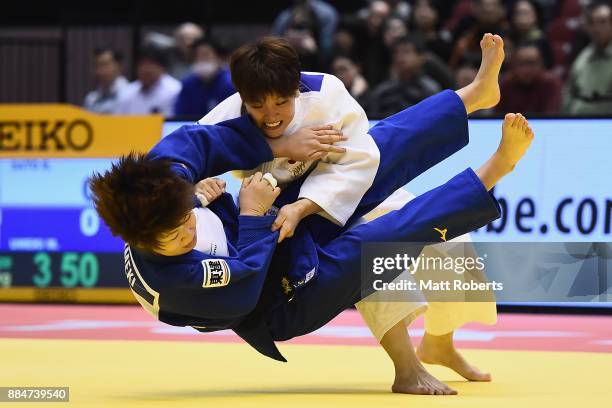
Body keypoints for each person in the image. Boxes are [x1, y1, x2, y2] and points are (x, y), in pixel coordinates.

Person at [91, 35, 526, 395]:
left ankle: (472, 95)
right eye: (176, 236)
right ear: (143, 242)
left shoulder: (158, 182)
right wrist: (253, 214)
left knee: (378, 150)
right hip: (275, 300)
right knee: (383, 239)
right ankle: (493, 172)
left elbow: (201, 144)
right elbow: (244, 287)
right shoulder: (176, 281)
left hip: (274, 225)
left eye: (184, 215)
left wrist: (252, 176)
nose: (187, 229)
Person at [199, 34, 503, 384]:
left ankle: (438, 343)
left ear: (296, 89)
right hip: (280, 215)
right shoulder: (229, 114)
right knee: (370, 252)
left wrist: (306, 205)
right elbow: (188, 155)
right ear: (242, 97)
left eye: (280, 103)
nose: (270, 116)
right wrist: (200, 185)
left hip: (340, 189)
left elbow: (362, 158)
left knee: (444, 236)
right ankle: (406, 367)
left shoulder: (325, 93)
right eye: (257, 107)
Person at [364, 36, 441, 119]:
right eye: (397, 53)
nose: (400, 57)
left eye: (406, 52)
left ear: (421, 58)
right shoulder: (382, 90)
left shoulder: (430, 89)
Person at [562, 1, 612, 115]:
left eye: (603, 22)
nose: (596, 28)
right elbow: (569, 94)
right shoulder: (582, 57)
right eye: (591, 22)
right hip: (577, 124)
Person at [173, 38, 235, 117]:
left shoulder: (231, 84)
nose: (201, 59)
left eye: (205, 55)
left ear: (220, 58)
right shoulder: (187, 84)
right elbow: (179, 116)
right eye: (197, 55)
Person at [116, 46, 181, 116]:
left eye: (151, 64)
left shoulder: (175, 90)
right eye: (142, 64)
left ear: (162, 67)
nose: (146, 69)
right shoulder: (126, 92)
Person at [83, 47, 128, 114]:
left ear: (119, 66)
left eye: (105, 65)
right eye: (97, 65)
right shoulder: (91, 100)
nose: (100, 71)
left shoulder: (130, 95)